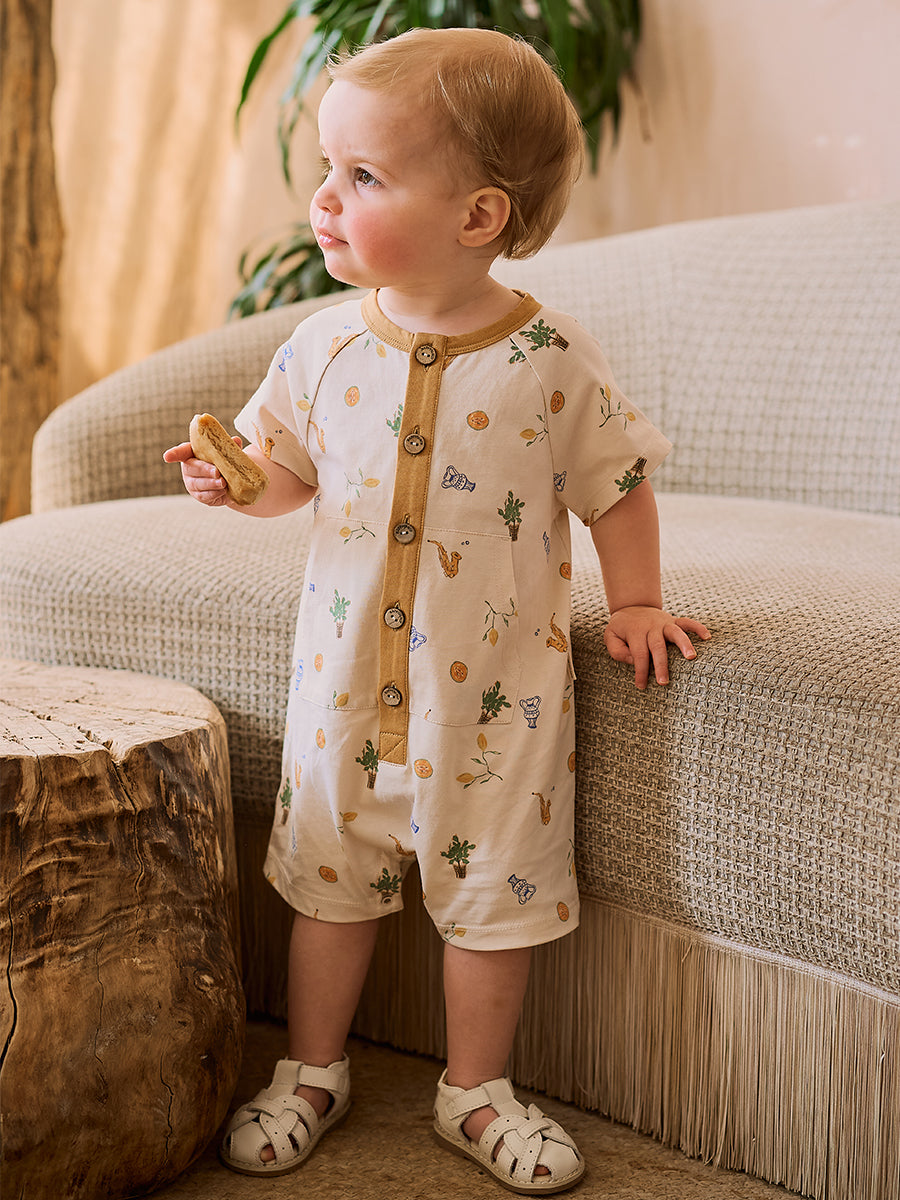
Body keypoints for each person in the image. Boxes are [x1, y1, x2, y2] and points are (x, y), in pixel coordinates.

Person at [165, 26, 710, 1194]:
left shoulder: (550, 358)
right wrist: (238, 485)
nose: (323, 197)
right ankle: (313, 1069)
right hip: (343, 694)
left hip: (497, 705)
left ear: (477, 215)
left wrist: (638, 602)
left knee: (493, 901)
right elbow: (289, 476)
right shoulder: (318, 347)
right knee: (329, 885)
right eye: (328, 167)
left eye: (363, 175)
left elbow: (616, 486)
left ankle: (476, 1090)